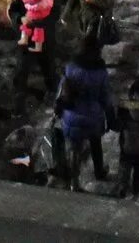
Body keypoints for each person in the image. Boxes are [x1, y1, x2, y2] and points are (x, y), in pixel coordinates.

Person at [53, 43, 115, 190]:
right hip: (93, 116)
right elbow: (106, 98)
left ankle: (74, 182)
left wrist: (58, 109)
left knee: (75, 148)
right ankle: (99, 171)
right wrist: (111, 118)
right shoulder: (101, 73)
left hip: (72, 115)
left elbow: (61, 90)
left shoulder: (71, 68)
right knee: (95, 144)